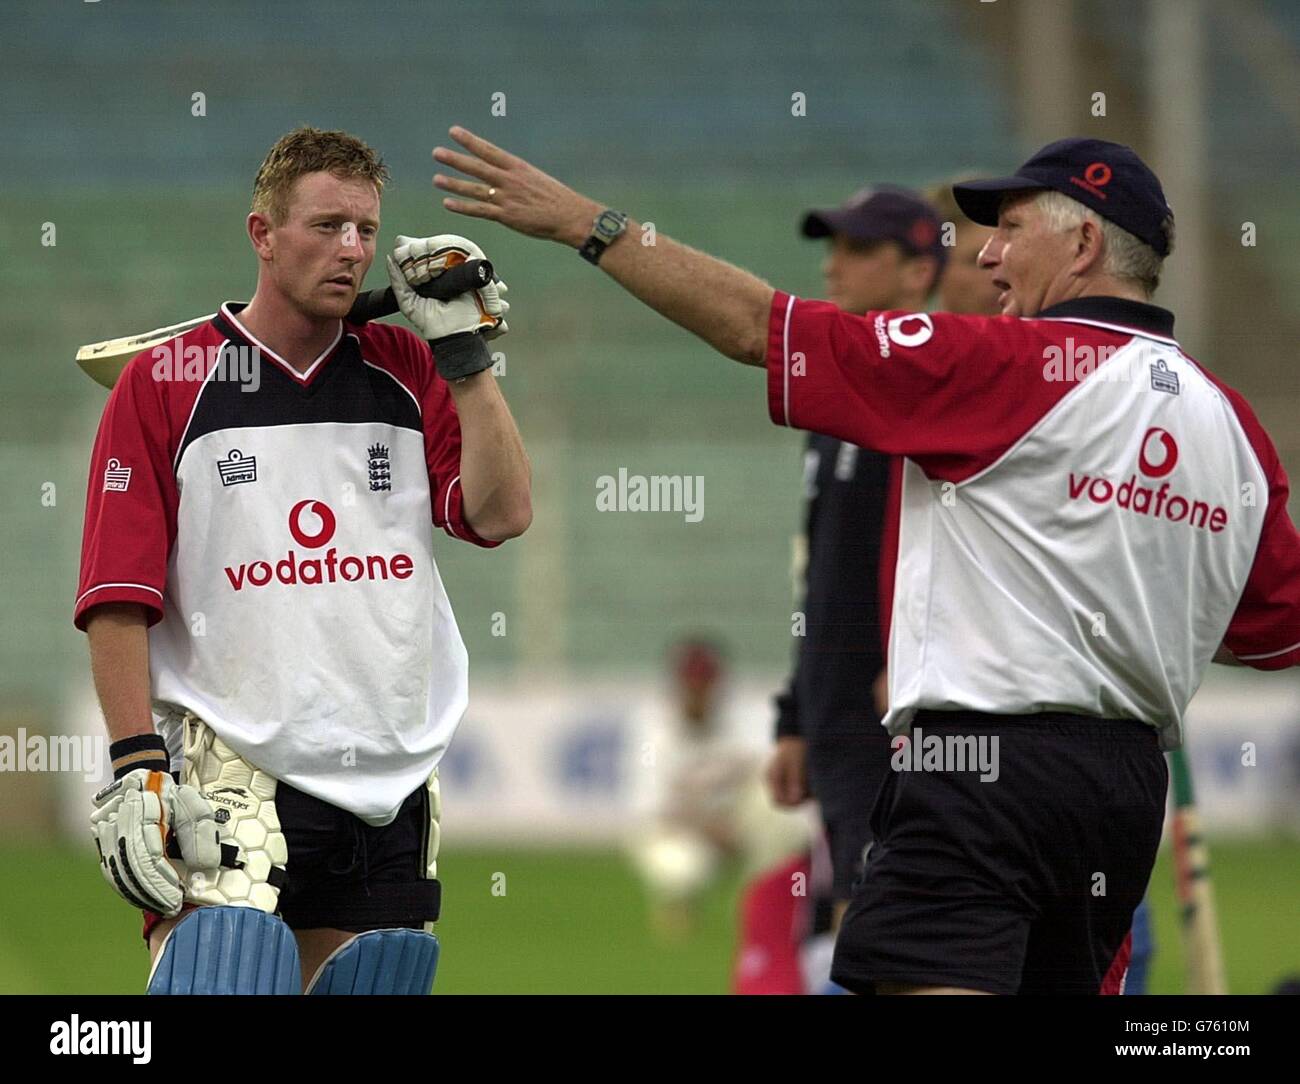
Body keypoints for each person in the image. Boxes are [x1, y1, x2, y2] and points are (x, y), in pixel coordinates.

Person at [431, 128, 1300, 993]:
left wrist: (588, 224)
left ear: (1082, 244)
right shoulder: (1236, 430)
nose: (989, 257)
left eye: (1012, 229)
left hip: (978, 774)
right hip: (1122, 792)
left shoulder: (1005, 364)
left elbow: (756, 330)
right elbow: (1269, 630)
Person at [77, 126, 532, 994]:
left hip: (389, 773)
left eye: (364, 229)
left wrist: (468, 361)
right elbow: (115, 594)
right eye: (325, 226)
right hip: (233, 768)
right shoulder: (168, 382)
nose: (352, 249)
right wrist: (137, 764)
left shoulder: (407, 366)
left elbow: (502, 512)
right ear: (262, 234)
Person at [766, 187, 945, 937]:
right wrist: (796, 714)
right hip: (838, 711)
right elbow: (820, 569)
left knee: (897, 932)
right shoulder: (836, 400)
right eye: (832, 245)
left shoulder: (935, 393)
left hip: (901, 709)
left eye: (859, 249)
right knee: (860, 926)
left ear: (918, 272)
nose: (832, 264)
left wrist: (920, 651)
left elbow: (956, 549)